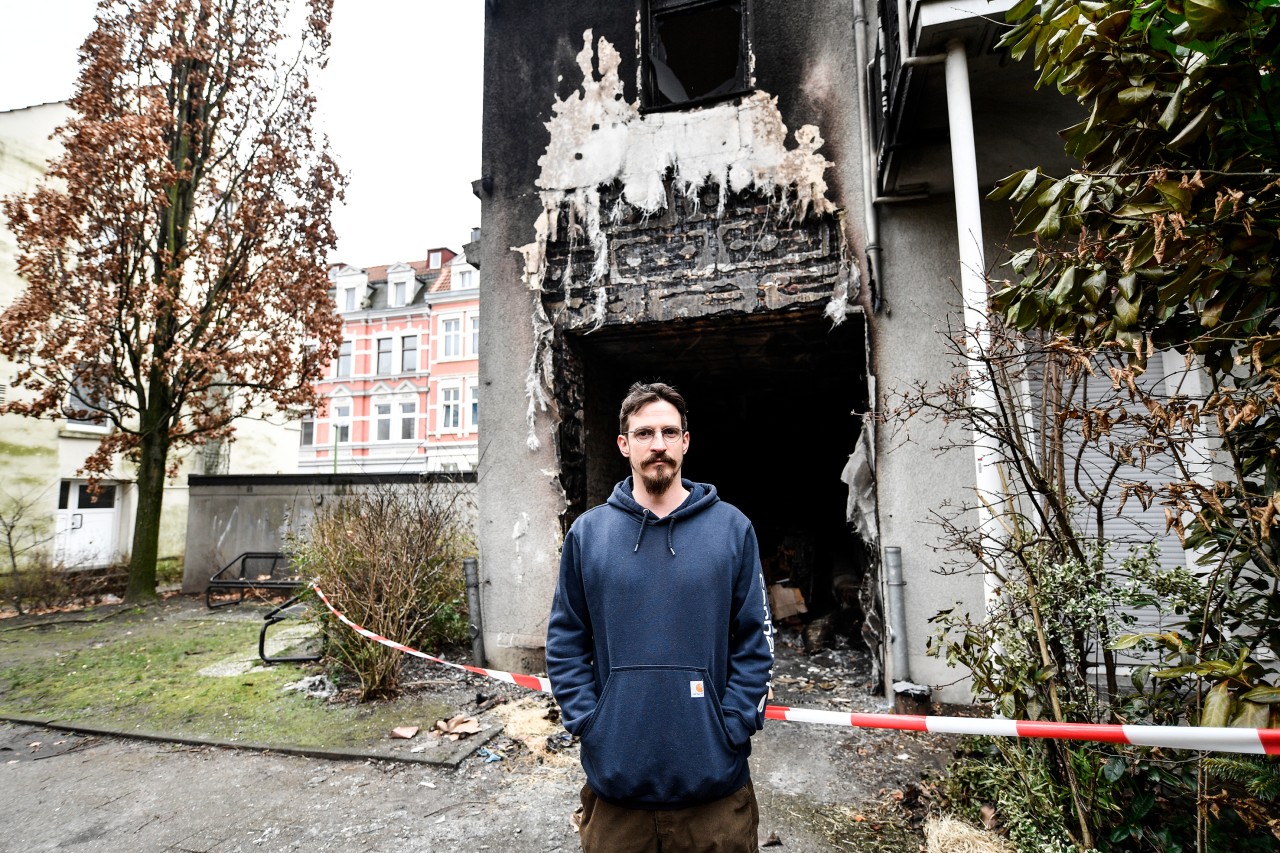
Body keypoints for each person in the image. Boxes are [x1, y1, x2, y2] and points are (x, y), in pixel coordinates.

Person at [546, 381, 775, 853]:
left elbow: (756, 641)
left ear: (686, 442)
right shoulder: (589, 534)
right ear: (624, 445)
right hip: (617, 796)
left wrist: (732, 724)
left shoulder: (732, 529)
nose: (658, 445)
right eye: (644, 433)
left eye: (669, 432)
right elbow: (566, 639)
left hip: (714, 795)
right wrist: (590, 722)